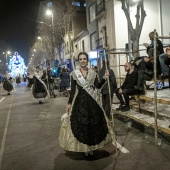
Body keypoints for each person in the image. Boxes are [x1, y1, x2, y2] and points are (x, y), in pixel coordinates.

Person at [59, 52, 114, 158]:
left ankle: (92, 147)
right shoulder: (74, 74)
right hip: (80, 102)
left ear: (87, 60)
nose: (83, 61)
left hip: (92, 102)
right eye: (80, 59)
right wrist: (69, 103)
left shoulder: (93, 73)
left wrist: (104, 78)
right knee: (82, 125)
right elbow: (73, 90)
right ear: (78, 61)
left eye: (84, 59)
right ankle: (85, 149)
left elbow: (97, 86)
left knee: (93, 125)